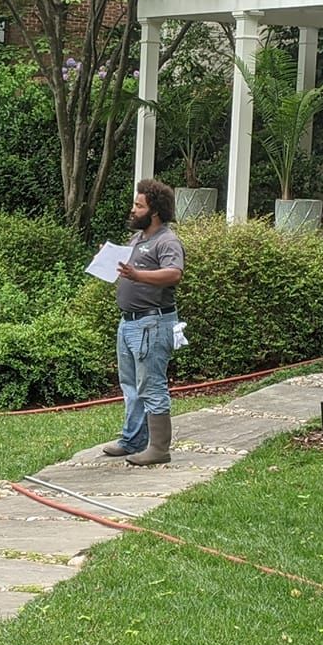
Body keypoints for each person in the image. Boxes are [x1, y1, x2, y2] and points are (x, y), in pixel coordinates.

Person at [101, 178, 185, 466]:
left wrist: (138, 276)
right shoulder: (138, 238)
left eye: (139, 205)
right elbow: (128, 268)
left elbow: (174, 273)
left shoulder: (167, 240)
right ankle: (132, 440)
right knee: (131, 384)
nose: (133, 209)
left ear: (155, 211)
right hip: (129, 323)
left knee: (152, 385)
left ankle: (159, 448)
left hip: (152, 323)